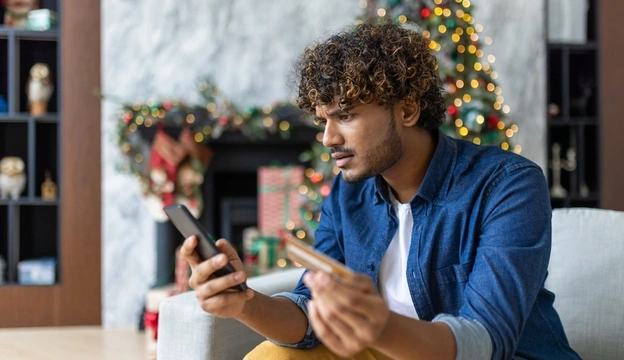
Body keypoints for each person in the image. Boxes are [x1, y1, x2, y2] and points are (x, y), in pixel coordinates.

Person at [180, 22, 582, 360]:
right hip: (387, 352)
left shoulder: (507, 185)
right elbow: (309, 314)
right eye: (323, 120)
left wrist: (379, 323)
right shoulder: (347, 194)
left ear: (407, 110)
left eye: (347, 116)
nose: (328, 137)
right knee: (272, 355)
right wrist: (244, 301)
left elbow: (486, 341)